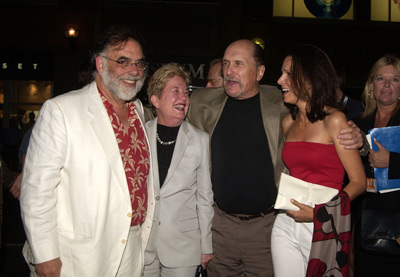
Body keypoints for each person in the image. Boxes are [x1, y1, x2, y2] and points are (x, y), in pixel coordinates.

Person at [187, 39, 364, 277]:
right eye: (226, 63)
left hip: (269, 223)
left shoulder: (279, 104)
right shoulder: (201, 103)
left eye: (238, 63)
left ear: (259, 72)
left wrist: (360, 141)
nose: (228, 70)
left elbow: (333, 129)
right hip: (225, 226)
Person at [20, 25, 155, 277]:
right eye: (123, 61)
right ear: (101, 65)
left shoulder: (138, 110)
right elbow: (37, 190)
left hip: (132, 247)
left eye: (139, 63)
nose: (134, 71)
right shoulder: (61, 111)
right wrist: (45, 255)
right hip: (80, 256)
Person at [271, 44, 366, 276]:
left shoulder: (335, 121)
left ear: (310, 77)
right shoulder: (287, 123)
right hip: (285, 222)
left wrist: (318, 213)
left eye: (288, 74)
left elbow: (358, 182)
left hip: (324, 223)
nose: (280, 80)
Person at [143, 63, 214, 276]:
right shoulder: (141, 135)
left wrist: (206, 245)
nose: (183, 97)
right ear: (155, 100)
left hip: (184, 246)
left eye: (185, 92)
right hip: (144, 244)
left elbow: (204, 197)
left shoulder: (200, 140)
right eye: (175, 92)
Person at [353, 55, 400, 277]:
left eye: (395, 79)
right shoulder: (360, 122)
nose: (387, 85)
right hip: (366, 220)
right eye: (381, 78)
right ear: (371, 85)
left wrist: (392, 162)